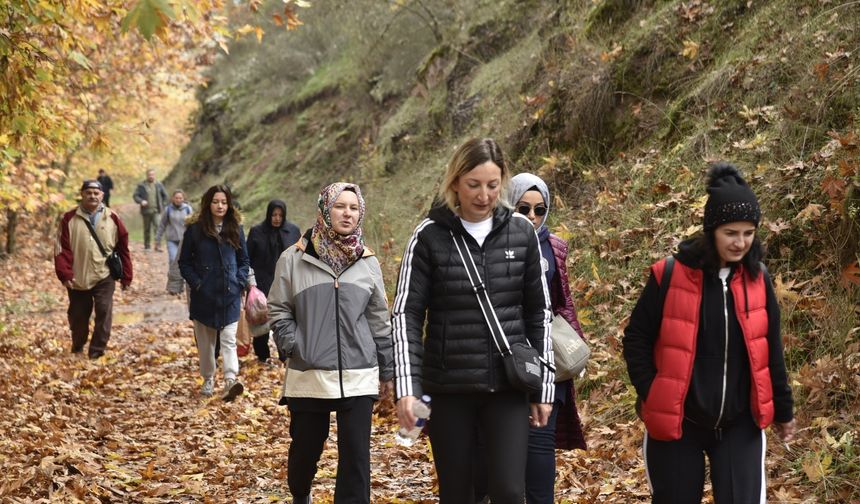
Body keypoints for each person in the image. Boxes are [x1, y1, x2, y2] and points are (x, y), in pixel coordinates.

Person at [392, 138, 554, 504]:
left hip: (508, 385)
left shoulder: (521, 232)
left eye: (493, 185)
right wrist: (407, 388)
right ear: (455, 183)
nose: (484, 196)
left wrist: (543, 387)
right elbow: (406, 314)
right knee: (458, 493)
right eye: (473, 185)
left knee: (509, 490)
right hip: (449, 389)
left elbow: (539, 313)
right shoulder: (428, 236)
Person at [622, 163, 796, 503]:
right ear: (712, 229)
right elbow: (636, 339)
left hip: (740, 424)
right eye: (731, 233)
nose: (740, 242)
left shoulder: (758, 279)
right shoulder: (670, 275)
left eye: (748, 233)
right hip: (679, 422)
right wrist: (652, 391)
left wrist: (783, 408)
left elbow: (770, 349)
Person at [268, 182, 394, 504]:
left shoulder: (367, 261)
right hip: (309, 372)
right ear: (325, 209)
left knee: (356, 457)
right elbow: (278, 309)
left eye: (354, 207)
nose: (347, 213)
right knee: (306, 449)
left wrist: (387, 370)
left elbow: (379, 319)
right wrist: (293, 345)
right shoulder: (293, 258)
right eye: (340, 206)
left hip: (359, 372)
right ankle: (301, 493)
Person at [509, 173, 587, 503]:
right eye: (523, 208)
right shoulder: (494, 243)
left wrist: (575, 346)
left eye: (539, 209)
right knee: (502, 466)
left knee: (540, 457)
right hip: (505, 361)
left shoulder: (553, 246)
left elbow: (563, 301)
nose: (532, 216)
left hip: (545, 362)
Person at [178, 184, 250, 401]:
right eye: (216, 202)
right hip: (204, 297)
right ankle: (208, 378)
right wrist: (197, 284)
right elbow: (184, 262)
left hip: (230, 294)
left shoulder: (235, 228)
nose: (220, 206)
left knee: (228, 340)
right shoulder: (195, 230)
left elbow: (244, 260)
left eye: (224, 202)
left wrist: (239, 281)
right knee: (206, 344)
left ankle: (230, 380)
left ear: (229, 205)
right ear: (208, 204)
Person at [54, 180, 133, 359]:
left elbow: (123, 248)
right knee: (78, 316)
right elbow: (61, 249)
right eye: (88, 192)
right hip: (77, 277)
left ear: (102, 196)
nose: (92, 196)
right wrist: (65, 274)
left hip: (104, 274)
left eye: (96, 193)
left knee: (104, 310)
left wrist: (126, 276)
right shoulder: (69, 218)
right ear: (82, 194)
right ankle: (78, 345)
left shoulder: (113, 217)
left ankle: (97, 351)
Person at [246, 199, 301, 363]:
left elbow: (299, 257)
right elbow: (247, 259)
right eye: (274, 215)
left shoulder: (292, 231)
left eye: (280, 215)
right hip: (261, 284)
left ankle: (285, 355)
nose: (277, 218)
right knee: (261, 321)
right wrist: (249, 283)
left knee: (284, 320)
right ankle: (262, 356)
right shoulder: (257, 232)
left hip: (285, 283)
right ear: (268, 214)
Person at [133, 168, 168, 250]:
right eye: (149, 175)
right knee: (147, 229)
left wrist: (163, 205)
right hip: (146, 211)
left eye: (152, 175)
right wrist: (141, 201)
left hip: (156, 211)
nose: (151, 176)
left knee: (158, 228)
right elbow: (135, 196)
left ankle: (158, 246)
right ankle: (147, 246)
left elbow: (165, 196)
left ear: (155, 175)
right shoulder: (141, 185)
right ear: (147, 175)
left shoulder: (159, 185)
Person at [156, 190, 193, 262]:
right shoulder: (168, 209)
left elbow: (192, 225)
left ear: (183, 199)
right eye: (176, 198)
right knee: (173, 259)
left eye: (180, 198)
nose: (178, 200)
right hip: (171, 240)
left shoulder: (188, 209)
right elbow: (162, 225)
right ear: (173, 198)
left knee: (184, 261)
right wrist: (158, 239)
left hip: (185, 240)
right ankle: (172, 270)